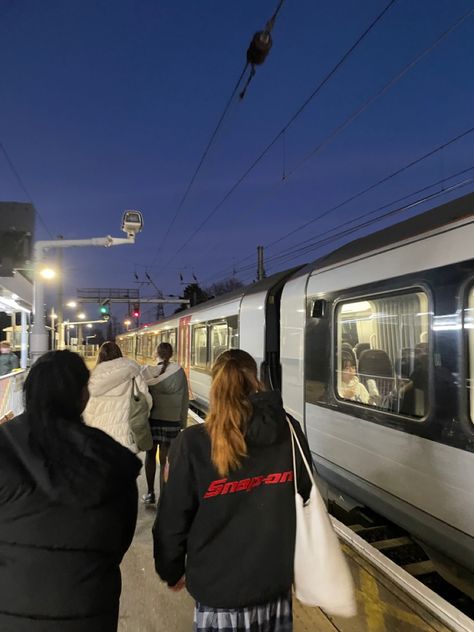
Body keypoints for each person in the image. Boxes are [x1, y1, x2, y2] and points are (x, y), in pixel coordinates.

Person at [153, 349, 312, 632]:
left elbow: (172, 520)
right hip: (274, 586)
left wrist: (171, 570)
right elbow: (305, 491)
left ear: (215, 385)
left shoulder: (192, 443)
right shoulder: (289, 430)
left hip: (218, 593)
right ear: (257, 381)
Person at [0, 350, 141, 631]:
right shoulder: (112, 459)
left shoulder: (4, 445)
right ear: (82, 396)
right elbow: (120, 539)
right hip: (90, 608)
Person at [141, 342, 189, 503]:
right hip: (172, 420)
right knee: (166, 460)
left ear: (157, 354)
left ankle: (150, 493)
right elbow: (184, 399)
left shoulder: (147, 373)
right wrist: (181, 422)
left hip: (152, 419)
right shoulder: (179, 372)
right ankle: (165, 497)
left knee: (150, 455)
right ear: (171, 354)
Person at [83, 341, 152, 451]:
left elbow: (88, 413)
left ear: (100, 356)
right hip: (127, 439)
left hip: (101, 441)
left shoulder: (94, 379)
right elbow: (146, 401)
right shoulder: (133, 373)